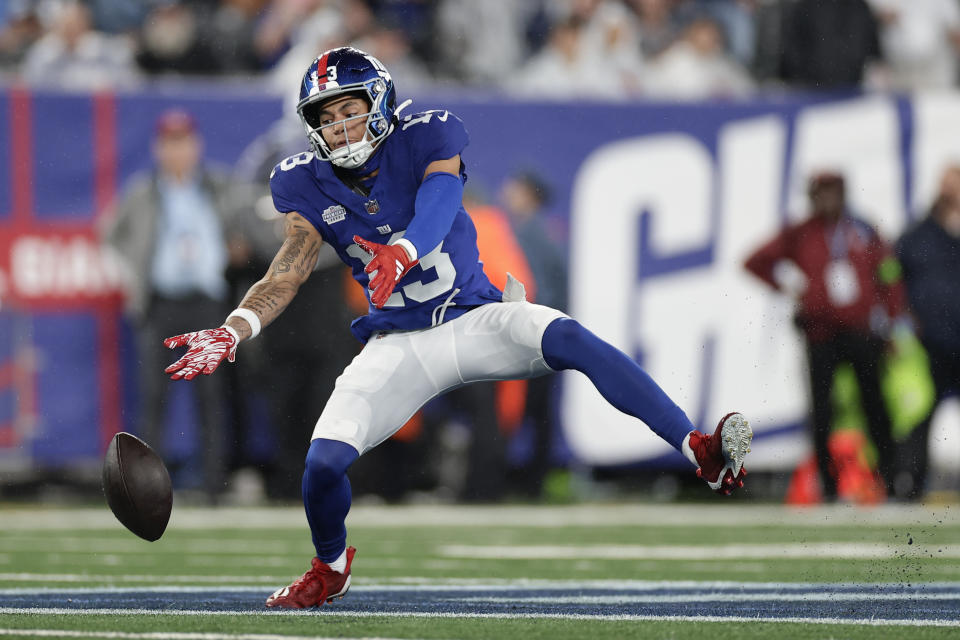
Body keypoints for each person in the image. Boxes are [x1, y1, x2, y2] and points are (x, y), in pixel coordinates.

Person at [162, 47, 752, 608]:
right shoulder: (302, 181)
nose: (340, 126)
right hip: (399, 343)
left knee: (571, 338)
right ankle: (329, 569)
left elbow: (441, 196)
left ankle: (695, 448)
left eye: (350, 109)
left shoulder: (427, 133)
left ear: (381, 104)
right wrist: (233, 329)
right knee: (322, 465)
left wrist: (404, 248)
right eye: (327, 116)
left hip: (475, 318)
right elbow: (287, 270)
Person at [744, 172, 904, 501]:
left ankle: (890, 479)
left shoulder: (861, 228)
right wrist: (787, 286)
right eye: (822, 192)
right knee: (821, 411)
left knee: (875, 404)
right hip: (820, 333)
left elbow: (888, 275)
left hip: (862, 332)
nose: (828, 199)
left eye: (833, 191)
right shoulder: (800, 232)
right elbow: (755, 261)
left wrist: (893, 324)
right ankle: (828, 486)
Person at [104, 108, 235, 503]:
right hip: (162, 303)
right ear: (159, 148)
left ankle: (214, 486)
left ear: (196, 146)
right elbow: (110, 234)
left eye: (183, 142)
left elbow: (243, 225)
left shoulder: (216, 186)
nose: (177, 151)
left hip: (206, 301)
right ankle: (146, 490)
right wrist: (134, 279)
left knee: (211, 399)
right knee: (153, 400)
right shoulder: (144, 191)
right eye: (170, 143)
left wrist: (230, 252)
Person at [896, 164, 960, 497]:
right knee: (919, 413)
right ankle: (909, 484)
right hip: (928, 343)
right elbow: (894, 279)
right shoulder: (919, 234)